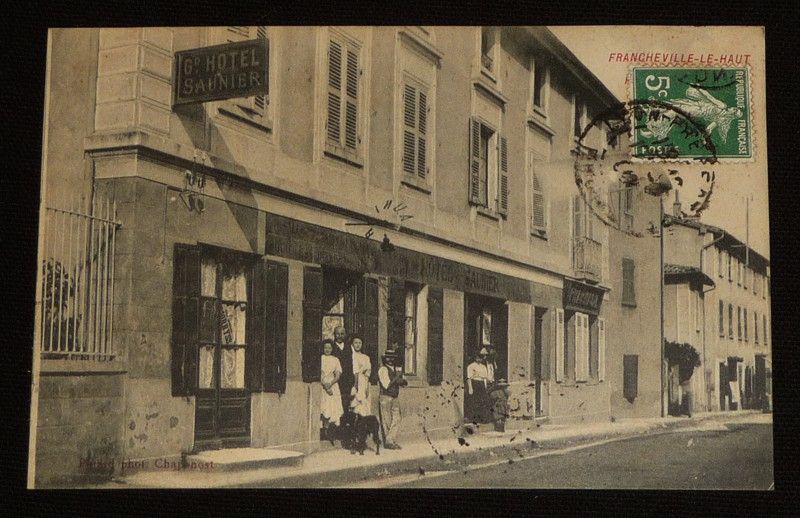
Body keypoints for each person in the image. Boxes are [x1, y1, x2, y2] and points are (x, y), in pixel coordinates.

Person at [378, 350, 407, 450]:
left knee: (397, 418)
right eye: (388, 357)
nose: (390, 359)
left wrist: (401, 380)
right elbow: (386, 385)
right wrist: (397, 377)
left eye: (392, 357)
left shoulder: (396, 369)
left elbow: (403, 382)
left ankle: (389, 440)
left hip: (395, 396)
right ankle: (389, 442)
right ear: (385, 358)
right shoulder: (383, 369)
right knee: (387, 420)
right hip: (385, 397)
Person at [319, 339, 343, 444]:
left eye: (329, 348)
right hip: (322, 385)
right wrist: (325, 385)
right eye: (325, 348)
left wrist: (331, 384)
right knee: (324, 407)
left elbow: (337, 375)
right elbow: (320, 373)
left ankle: (330, 432)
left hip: (333, 385)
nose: (327, 350)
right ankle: (323, 432)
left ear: (332, 349)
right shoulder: (321, 358)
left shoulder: (335, 360)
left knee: (332, 408)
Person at [466, 348, 492, 424]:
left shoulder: (483, 367)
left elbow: (485, 378)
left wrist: (485, 386)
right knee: (475, 401)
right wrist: (470, 388)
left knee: (482, 401)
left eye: (480, 358)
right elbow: (469, 378)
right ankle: (474, 419)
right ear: (475, 358)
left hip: (481, 384)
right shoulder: (471, 366)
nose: (479, 359)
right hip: (475, 383)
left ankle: (482, 419)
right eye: (477, 357)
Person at [331, 326, 354, 415]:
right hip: (336, 380)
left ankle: (345, 421)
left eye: (342, 334)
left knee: (346, 403)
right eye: (338, 334)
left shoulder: (349, 347)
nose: (340, 336)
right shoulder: (331, 347)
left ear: (345, 335)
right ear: (334, 335)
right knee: (335, 403)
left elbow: (352, 363)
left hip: (347, 380)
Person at [350, 336, 372, 418]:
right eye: (355, 343)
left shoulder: (365, 357)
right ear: (352, 344)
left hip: (363, 382)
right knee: (353, 403)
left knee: (363, 404)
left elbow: (367, 372)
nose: (358, 345)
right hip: (353, 381)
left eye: (359, 343)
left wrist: (367, 388)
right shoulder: (351, 356)